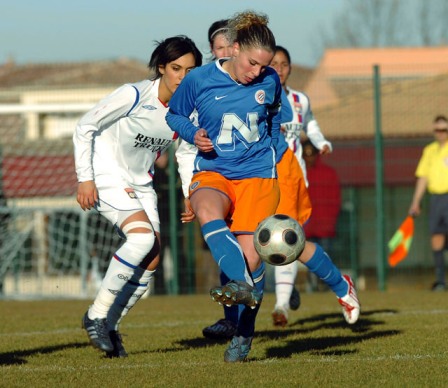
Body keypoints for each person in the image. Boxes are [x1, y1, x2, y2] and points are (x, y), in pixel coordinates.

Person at [74, 35, 202, 358]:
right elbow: (84, 126)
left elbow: (185, 153)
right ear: (161, 68)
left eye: (190, 70)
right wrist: (85, 179)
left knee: (153, 256)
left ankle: (111, 328)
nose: (182, 77)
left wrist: (189, 192)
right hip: (106, 174)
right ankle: (96, 314)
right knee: (142, 238)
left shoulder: (188, 111)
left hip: (140, 183)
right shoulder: (133, 95)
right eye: (176, 68)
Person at [167, 10, 282, 362]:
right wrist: (194, 134)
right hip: (215, 170)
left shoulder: (270, 80)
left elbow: (274, 117)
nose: (256, 72)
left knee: (250, 259)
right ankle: (240, 284)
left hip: (257, 176)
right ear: (232, 49)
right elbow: (174, 114)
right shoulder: (199, 80)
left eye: (263, 67)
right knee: (204, 206)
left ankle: (244, 334)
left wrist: (271, 151)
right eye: (251, 64)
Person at [270, 45, 343, 327]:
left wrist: (321, 141)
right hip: (263, 177)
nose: (279, 68)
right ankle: (287, 289)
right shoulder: (259, 98)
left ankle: (281, 306)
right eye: (273, 63)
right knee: (263, 240)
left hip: (293, 180)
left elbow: (309, 124)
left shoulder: (300, 100)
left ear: (290, 68)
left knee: (286, 237)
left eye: (284, 64)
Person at [409, 114, 448, 291]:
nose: (440, 133)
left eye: (444, 130)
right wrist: (416, 202)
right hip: (435, 199)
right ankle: (440, 280)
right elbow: (423, 177)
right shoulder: (429, 150)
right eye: (437, 130)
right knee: (437, 239)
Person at [302, 140, 342, 292]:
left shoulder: (328, 173)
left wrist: (330, 220)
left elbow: (335, 199)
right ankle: (312, 285)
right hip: (306, 225)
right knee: (308, 258)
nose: (309, 158)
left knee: (325, 257)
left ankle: (326, 285)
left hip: (325, 225)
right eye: (306, 155)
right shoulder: (299, 172)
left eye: (311, 154)